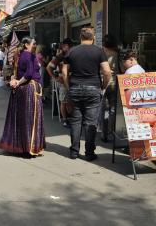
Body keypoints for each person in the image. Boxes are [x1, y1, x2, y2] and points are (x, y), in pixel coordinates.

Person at [62, 27, 111, 161]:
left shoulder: (71, 51)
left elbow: (64, 72)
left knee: (76, 121)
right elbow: (107, 72)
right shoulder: (99, 51)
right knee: (91, 122)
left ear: (80, 37)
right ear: (93, 37)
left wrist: (68, 87)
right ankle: (89, 153)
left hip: (75, 88)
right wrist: (103, 86)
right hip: (93, 89)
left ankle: (74, 152)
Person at [0, 37, 45, 156]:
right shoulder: (29, 55)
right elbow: (29, 74)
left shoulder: (20, 55)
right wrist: (18, 82)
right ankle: (29, 147)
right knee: (31, 118)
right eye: (33, 43)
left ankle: (23, 146)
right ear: (26, 44)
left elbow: (18, 72)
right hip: (30, 88)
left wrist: (17, 81)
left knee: (23, 117)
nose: (35, 45)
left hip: (24, 88)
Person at [46, 38, 73, 127]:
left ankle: (71, 118)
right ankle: (65, 120)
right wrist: (56, 78)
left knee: (69, 101)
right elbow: (48, 67)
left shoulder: (73, 54)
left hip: (73, 81)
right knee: (64, 101)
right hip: (63, 81)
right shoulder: (60, 56)